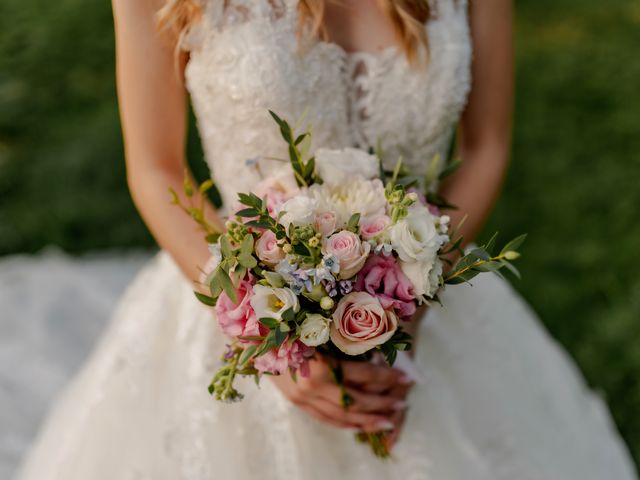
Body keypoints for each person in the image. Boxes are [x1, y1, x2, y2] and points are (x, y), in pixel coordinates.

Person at [17, 0, 637, 478]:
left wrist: (408, 298)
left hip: (428, 294)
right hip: (240, 300)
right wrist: (267, 331)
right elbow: (155, 169)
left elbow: (487, 146)